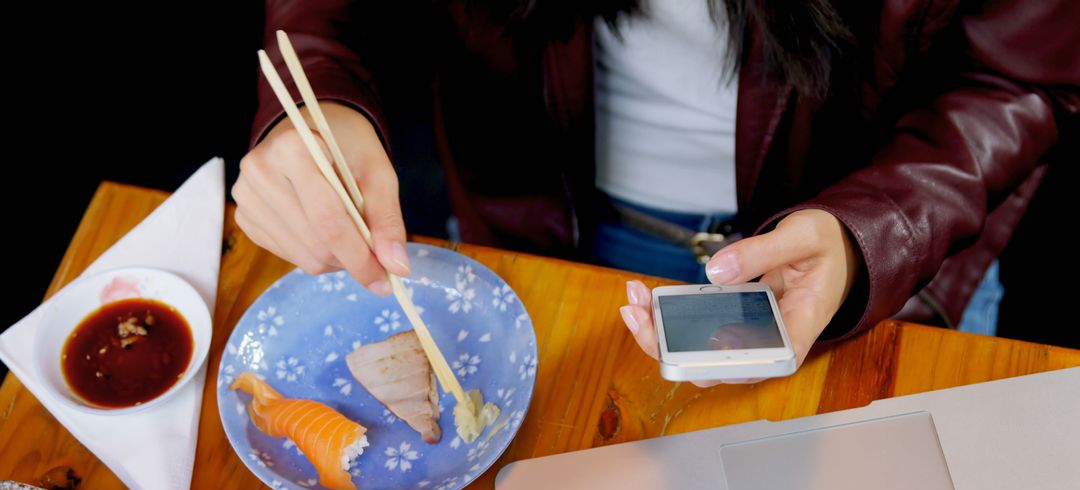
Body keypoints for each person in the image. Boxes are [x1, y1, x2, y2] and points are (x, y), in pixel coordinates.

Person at [233, 0, 1080, 385]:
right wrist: (318, 102)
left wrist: (872, 237)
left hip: (892, 248)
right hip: (541, 225)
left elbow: (1016, 77)